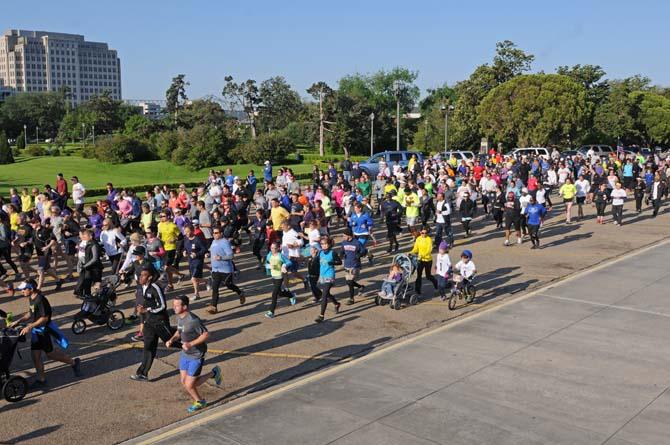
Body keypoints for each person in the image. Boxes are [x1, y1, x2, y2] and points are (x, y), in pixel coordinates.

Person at [10, 279, 81, 388]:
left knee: (50, 354)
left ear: (31, 289)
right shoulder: (32, 298)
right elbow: (31, 313)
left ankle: (74, 363)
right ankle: (41, 379)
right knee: (35, 355)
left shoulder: (40, 300)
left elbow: (44, 318)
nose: (22, 291)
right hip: (36, 332)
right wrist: (18, 321)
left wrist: (30, 326)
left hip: (43, 331)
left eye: (24, 289)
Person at [165, 295, 222, 413]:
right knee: (184, 382)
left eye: (176, 305)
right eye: (173, 305)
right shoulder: (180, 317)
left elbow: (206, 334)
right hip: (185, 354)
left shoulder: (193, 320)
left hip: (196, 355)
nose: (173, 307)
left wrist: (190, 344)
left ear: (184, 306)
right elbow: (179, 331)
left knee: (189, 385)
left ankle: (200, 402)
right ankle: (214, 373)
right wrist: (172, 339)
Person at [130, 268, 176, 381]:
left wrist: (147, 310)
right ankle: (142, 373)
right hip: (150, 323)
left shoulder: (155, 287)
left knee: (172, 342)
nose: (140, 277)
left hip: (160, 322)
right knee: (148, 347)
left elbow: (162, 306)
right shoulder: (142, 287)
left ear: (149, 277)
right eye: (140, 275)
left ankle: (193, 346)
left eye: (144, 275)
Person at [207, 227, 245, 314]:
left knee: (229, 285)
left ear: (221, 233)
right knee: (215, 288)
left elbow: (231, 256)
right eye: (213, 233)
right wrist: (207, 254)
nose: (214, 234)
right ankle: (214, 307)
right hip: (215, 270)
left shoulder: (225, 242)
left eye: (216, 233)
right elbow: (213, 252)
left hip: (225, 270)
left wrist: (220, 258)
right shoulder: (213, 242)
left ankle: (240, 292)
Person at [264, 241, 297, 318]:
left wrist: (284, 265)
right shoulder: (269, 255)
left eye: (274, 248)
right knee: (279, 293)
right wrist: (268, 266)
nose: (272, 249)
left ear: (278, 248)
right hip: (273, 276)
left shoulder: (280, 256)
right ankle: (291, 295)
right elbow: (267, 263)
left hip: (279, 276)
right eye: (271, 248)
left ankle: (271, 312)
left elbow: (289, 262)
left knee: (274, 294)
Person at [314, 236, 341, 323]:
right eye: (322, 244)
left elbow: (339, 262)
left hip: (330, 275)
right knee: (326, 293)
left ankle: (321, 316)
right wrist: (313, 257)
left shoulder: (333, 253)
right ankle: (336, 303)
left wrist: (332, 262)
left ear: (329, 244)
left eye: (325, 244)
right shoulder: (320, 252)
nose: (323, 245)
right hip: (322, 276)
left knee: (324, 295)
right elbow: (317, 262)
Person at [74, 229, 103, 298]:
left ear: (90, 236)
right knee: (87, 283)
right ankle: (88, 297)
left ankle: (103, 297)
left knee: (97, 284)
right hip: (88, 267)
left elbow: (95, 259)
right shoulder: (87, 243)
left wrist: (85, 266)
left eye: (85, 235)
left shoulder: (94, 244)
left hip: (96, 268)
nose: (83, 236)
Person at [410, 226, 437, 298]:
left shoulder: (429, 240)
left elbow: (429, 250)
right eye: (422, 233)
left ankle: (436, 285)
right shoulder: (418, 239)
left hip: (428, 260)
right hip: (420, 260)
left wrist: (421, 255)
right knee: (419, 276)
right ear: (420, 232)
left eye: (425, 233)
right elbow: (415, 248)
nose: (424, 234)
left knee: (428, 276)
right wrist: (411, 252)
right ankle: (418, 291)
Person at [341, 229, 366, 305]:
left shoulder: (357, 243)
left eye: (344, 236)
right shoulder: (343, 242)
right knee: (349, 282)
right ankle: (360, 287)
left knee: (350, 282)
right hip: (347, 264)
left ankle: (351, 299)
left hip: (355, 265)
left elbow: (364, 251)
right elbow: (342, 251)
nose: (343, 237)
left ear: (349, 236)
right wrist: (341, 254)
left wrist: (359, 255)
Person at [183, 225, 207, 301]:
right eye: (185, 231)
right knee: (194, 279)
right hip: (190, 261)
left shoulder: (197, 239)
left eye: (188, 231)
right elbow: (185, 247)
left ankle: (196, 294)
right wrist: (184, 251)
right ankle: (207, 281)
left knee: (193, 279)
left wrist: (196, 254)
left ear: (192, 231)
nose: (186, 233)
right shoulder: (186, 239)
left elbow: (204, 249)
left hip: (198, 261)